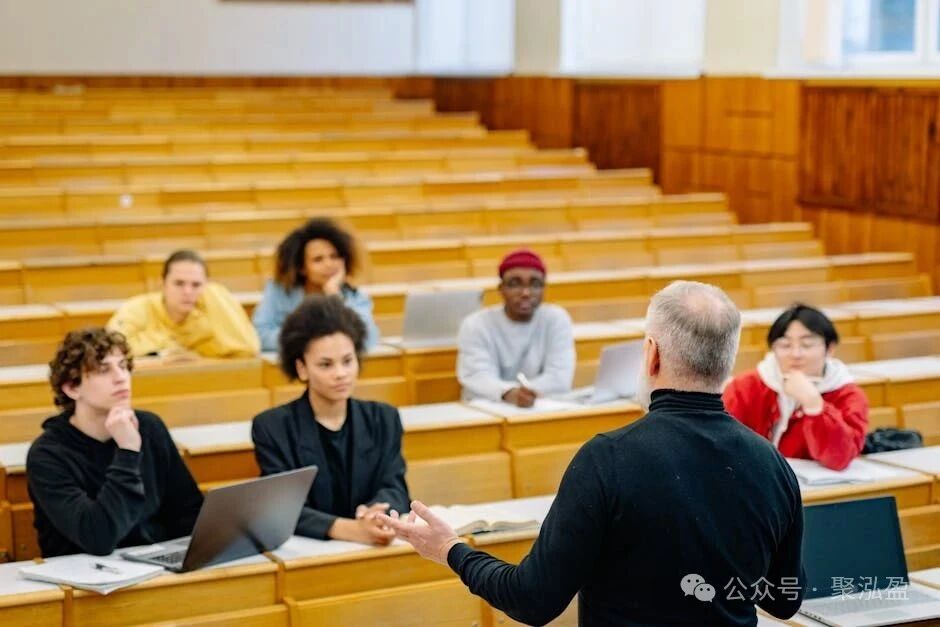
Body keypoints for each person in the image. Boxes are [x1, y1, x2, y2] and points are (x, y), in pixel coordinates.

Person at [381, 281, 805, 626]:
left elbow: (533, 600)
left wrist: (451, 549)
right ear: (727, 360)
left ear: (651, 353)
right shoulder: (771, 463)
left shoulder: (609, 458)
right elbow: (785, 601)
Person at [27, 328, 203, 557]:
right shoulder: (47, 455)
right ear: (72, 388)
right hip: (84, 581)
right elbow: (99, 538)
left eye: (122, 366)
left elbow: (189, 512)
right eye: (103, 370)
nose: (121, 377)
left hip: (155, 569)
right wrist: (128, 451)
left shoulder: (150, 427)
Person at [251, 295, 408, 545]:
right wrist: (351, 529)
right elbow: (281, 508)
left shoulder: (384, 418)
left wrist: (378, 513)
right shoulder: (272, 427)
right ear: (301, 368)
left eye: (348, 361)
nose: (341, 374)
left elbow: (395, 487)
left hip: (372, 547)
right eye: (325, 365)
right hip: (308, 551)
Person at [723, 303, 868, 471]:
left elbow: (839, 459)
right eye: (785, 345)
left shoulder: (848, 395)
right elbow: (724, 443)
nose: (795, 354)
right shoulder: (746, 386)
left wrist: (814, 406)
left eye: (806, 345)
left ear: (830, 348)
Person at [456, 249, 575, 407]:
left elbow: (559, 377)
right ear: (501, 289)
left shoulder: (556, 319)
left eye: (535, 284)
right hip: (488, 408)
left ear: (544, 288)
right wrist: (509, 393)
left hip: (542, 407)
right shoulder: (476, 324)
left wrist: (525, 394)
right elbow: (477, 376)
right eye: (514, 284)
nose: (525, 292)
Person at [252, 218, 379, 352]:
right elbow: (260, 335)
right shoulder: (279, 291)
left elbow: (368, 339)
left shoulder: (353, 296)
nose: (329, 264)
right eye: (318, 259)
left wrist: (334, 296)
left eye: (334, 257)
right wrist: (313, 341)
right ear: (302, 268)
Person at [107, 249, 259, 359]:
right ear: (163, 284)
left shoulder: (206, 319)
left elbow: (248, 349)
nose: (187, 291)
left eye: (196, 285)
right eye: (179, 283)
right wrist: (165, 353)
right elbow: (109, 351)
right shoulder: (137, 309)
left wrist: (215, 292)